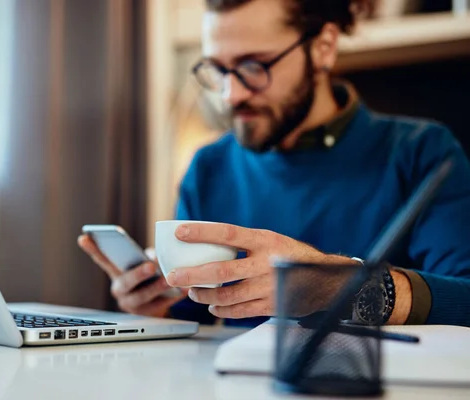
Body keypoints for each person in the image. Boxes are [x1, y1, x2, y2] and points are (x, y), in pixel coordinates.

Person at [79, 0, 470, 328]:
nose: (232, 95)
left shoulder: (422, 152)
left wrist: (339, 286)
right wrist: (151, 304)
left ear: (323, 47)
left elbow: (465, 299)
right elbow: (191, 316)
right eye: (218, 70)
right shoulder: (209, 167)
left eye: (254, 65)